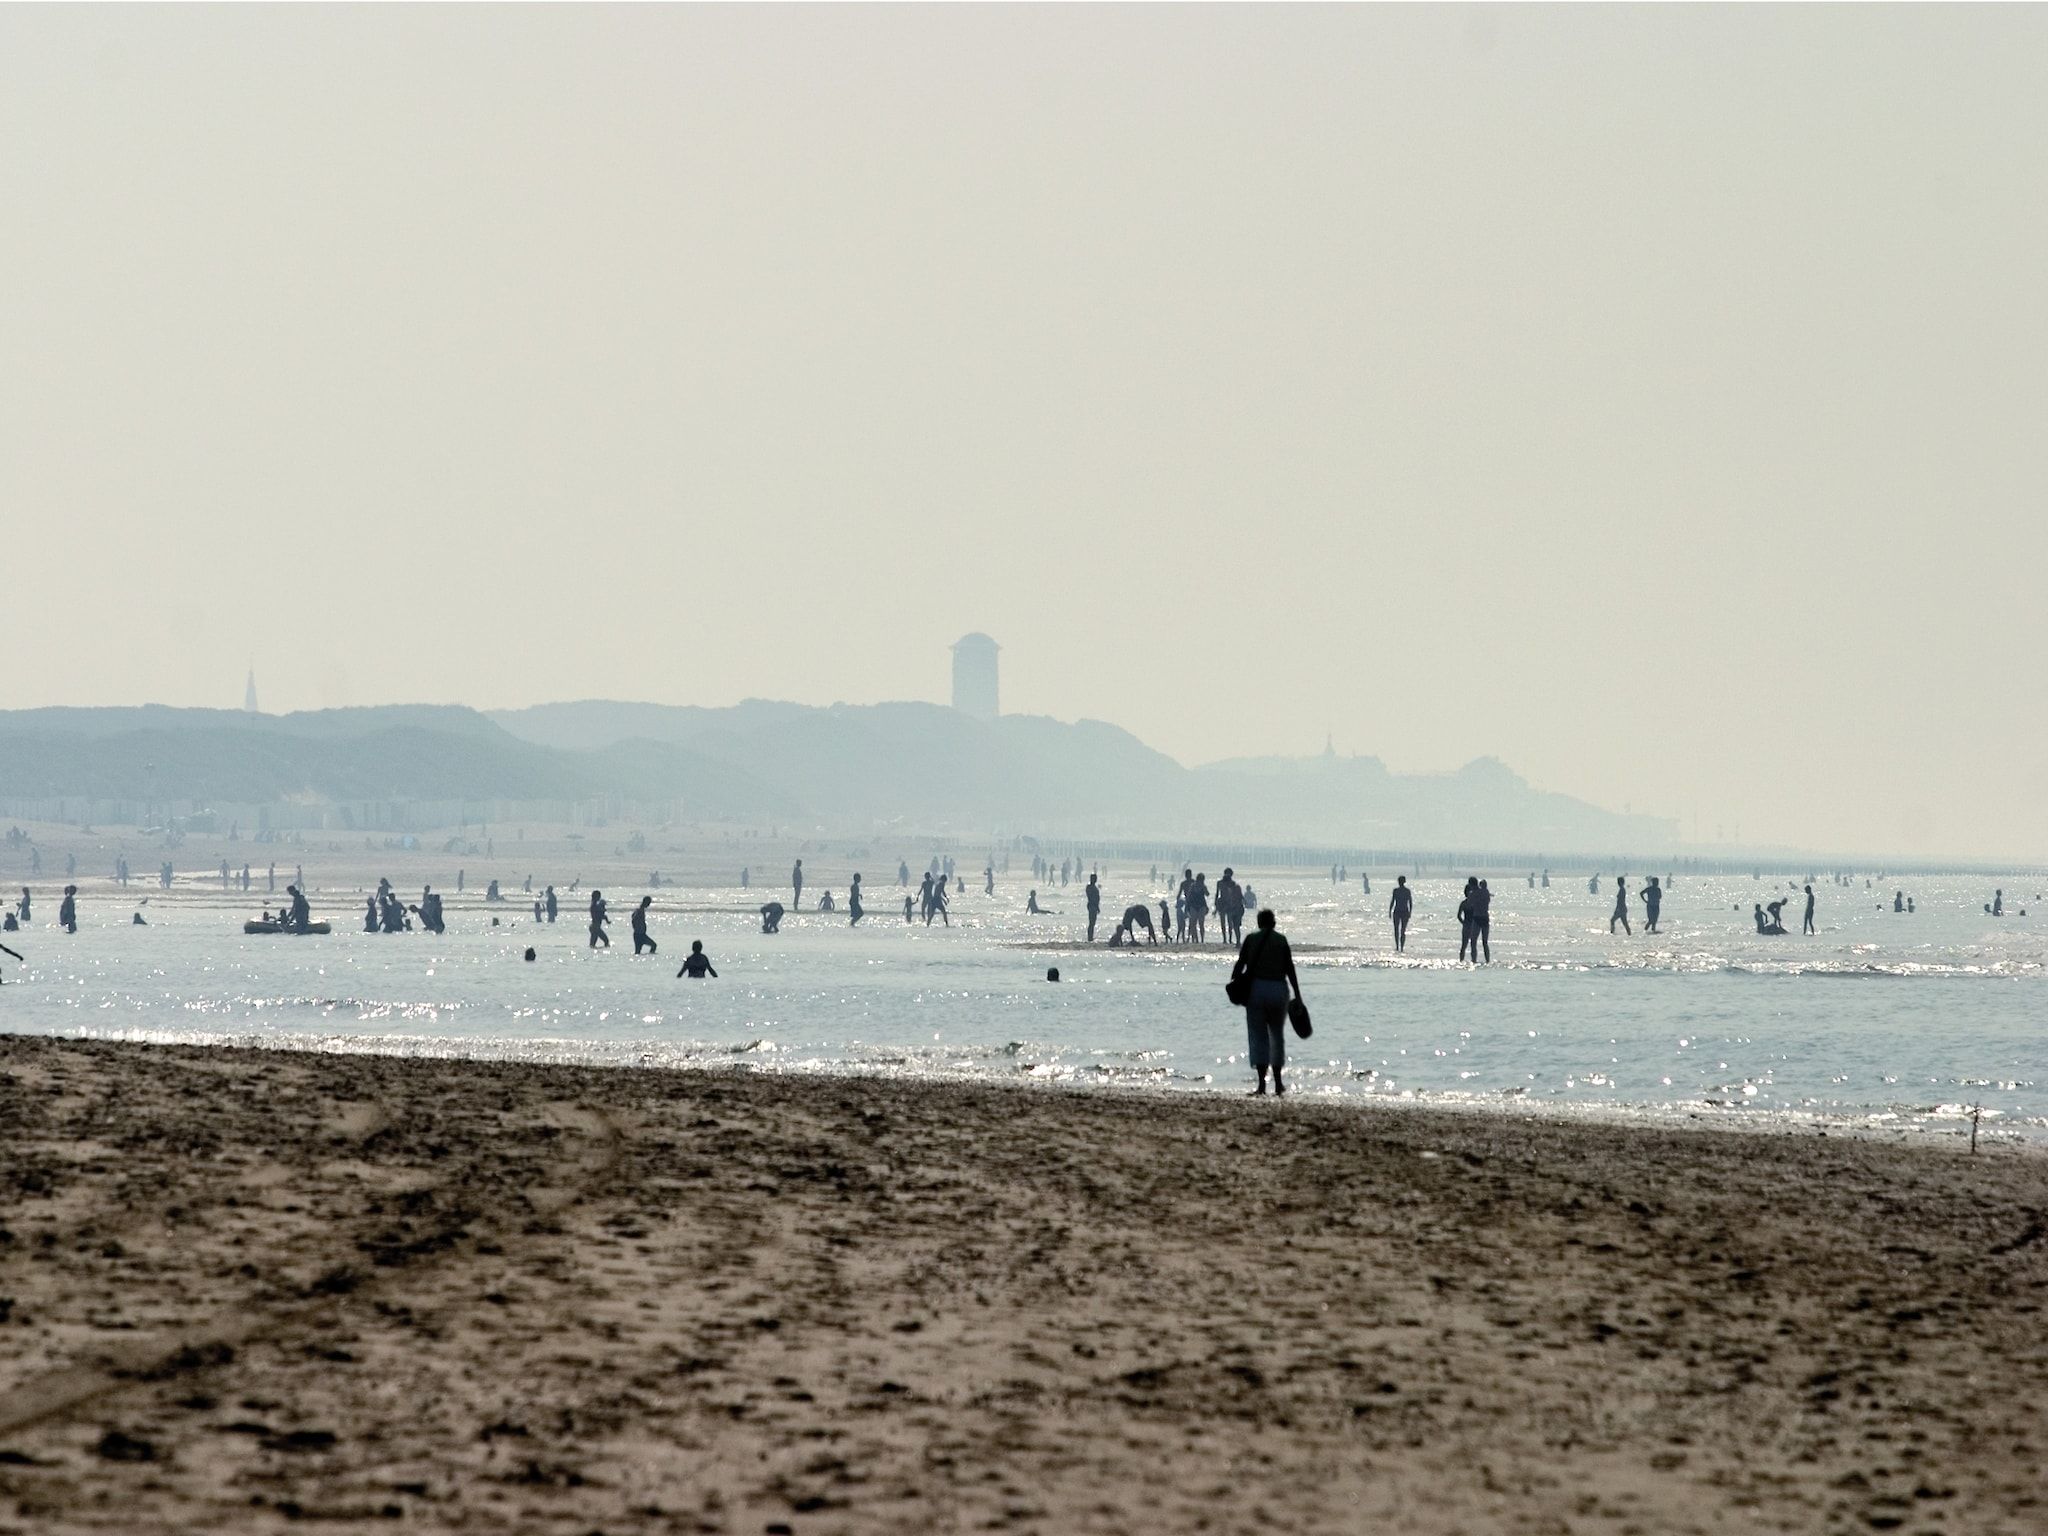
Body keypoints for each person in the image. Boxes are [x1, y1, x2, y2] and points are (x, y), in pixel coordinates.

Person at [1231, 909, 1303, 1097]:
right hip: (1279, 990)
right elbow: (1290, 968)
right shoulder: (1281, 940)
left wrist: (1236, 982)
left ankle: (1262, 1085)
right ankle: (1278, 1083)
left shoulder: (1251, 939)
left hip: (1256, 990)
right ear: (1274, 923)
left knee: (1258, 1036)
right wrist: (1298, 994)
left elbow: (1240, 965)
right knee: (1276, 1036)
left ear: (1259, 923)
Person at [1389, 876, 1413, 953]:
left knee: (1397, 930)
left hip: (1398, 911)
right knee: (1402, 930)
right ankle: (1401, 947)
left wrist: (1390, 910)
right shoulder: (1407, 891)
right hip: (1404, 911)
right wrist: (1410, 912)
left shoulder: (1396, 891)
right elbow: (1410, 903)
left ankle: (1398, 947)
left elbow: (1393, 901)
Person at [1456, 878, 1478, 962]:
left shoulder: (1475, 902)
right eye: (1469, 892)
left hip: (1474, 925)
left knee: (1473, 945)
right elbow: (1458, 915)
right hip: (1466, 926)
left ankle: (1474, 961)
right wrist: (1463, 923)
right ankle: (1461, 961)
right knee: (1464, 945)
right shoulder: (1463, 903)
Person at [1084, 874, 1101, 942]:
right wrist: (1097, 906)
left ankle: (1090, 936)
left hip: (1092, 905)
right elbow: (1092, 898)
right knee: (1091, 922)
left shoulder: (1092, 887)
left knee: (1092, 922)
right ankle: (1090, 937)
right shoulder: (1090, 887)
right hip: (1092, 905)